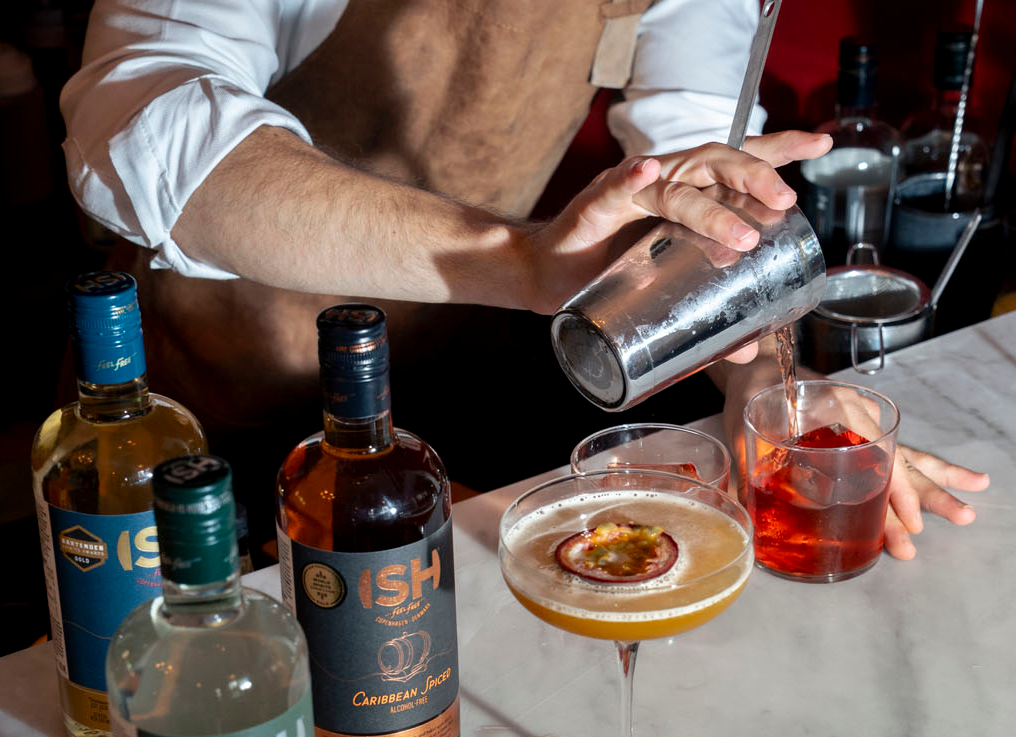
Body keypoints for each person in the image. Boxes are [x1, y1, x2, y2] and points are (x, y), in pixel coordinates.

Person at [60, 0, 988, 560]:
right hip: (208, 416)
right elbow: (142, 119)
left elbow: (697, 178)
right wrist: (522, 261)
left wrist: (762, 385)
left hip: (457, 389)